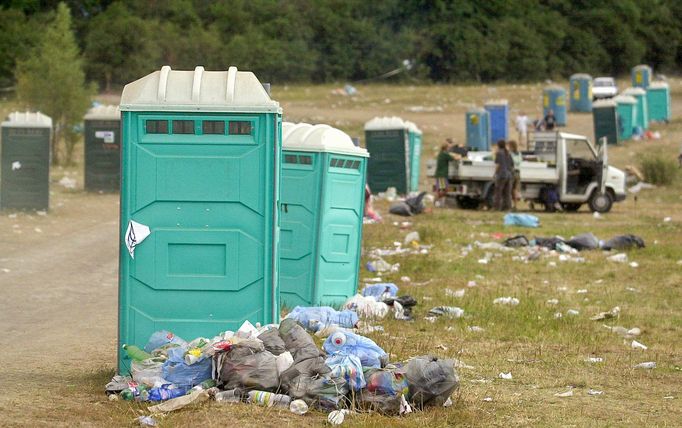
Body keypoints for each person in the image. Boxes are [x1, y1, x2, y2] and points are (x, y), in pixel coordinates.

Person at [435, 142, 459, 206]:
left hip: (440, 174)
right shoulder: (445, 154)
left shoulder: (441, 153)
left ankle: (439, 202)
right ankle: (436, 200)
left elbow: (450, 155)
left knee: (442, 189)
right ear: (446, 148)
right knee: (444, 189)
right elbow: (454, 159)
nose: (449, 148)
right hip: (442, 174)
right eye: (448, 147)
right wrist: (458, 156)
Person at [493, 140, 514, 211]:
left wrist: (495, 173)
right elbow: (512, 164)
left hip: (502, 174)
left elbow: (498, 164)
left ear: (498, 145)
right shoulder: (508, 153)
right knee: (507, 193)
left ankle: (497, 207)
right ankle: (507, 207)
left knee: (498, 191)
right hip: (509, 175)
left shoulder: (499, 153)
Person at [508, 140, 522, 210]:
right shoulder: (519, 153)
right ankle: (515, 205)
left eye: (509, 146)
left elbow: (511, 162)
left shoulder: (510, 154)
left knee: (509, 189)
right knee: (515, 190)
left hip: (512, 172)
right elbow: (519, 161)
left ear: (511, 146)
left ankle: (510, 205)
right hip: (518, 173)